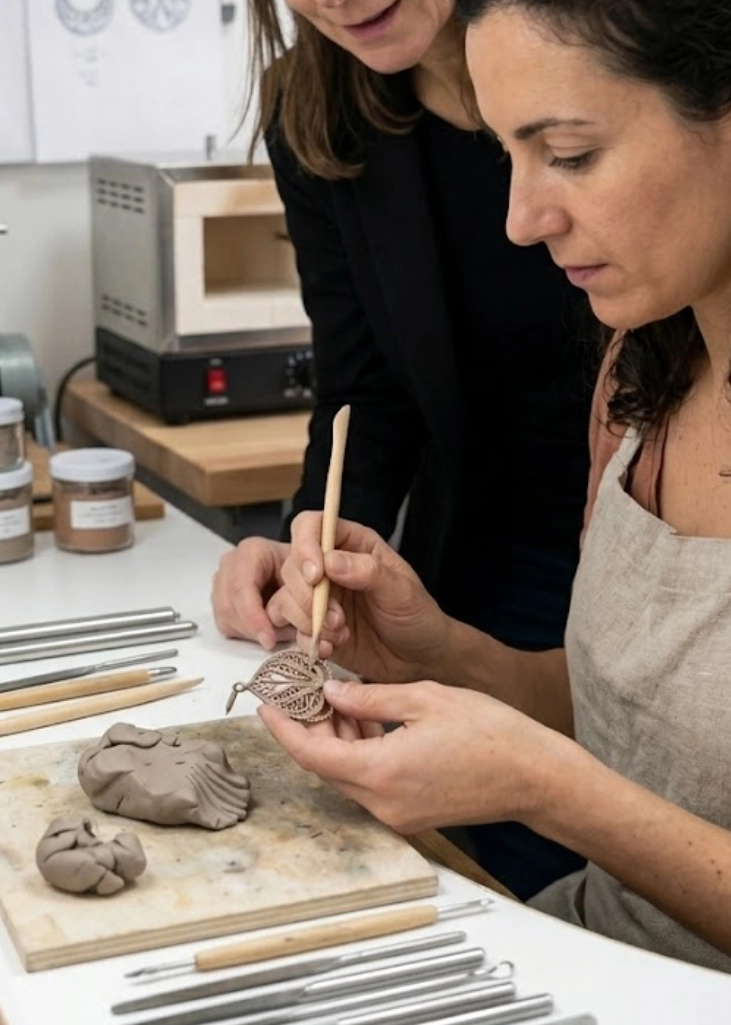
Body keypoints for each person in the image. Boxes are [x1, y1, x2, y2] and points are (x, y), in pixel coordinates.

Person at [254, 0, 731, 973]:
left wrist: (544, 788)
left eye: (567, 152)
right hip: (592, 950)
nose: (518, 222)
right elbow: (639, 717)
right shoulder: (642, 375)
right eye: (509, 153)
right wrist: (439, 652)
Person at [212, 0, 594, 897]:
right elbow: (364, 388)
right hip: (481, 555)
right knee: (490, 888)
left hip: (674, 528)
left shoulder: (623, 46)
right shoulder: (316, 108)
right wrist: (317, 537)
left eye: (571, 157)